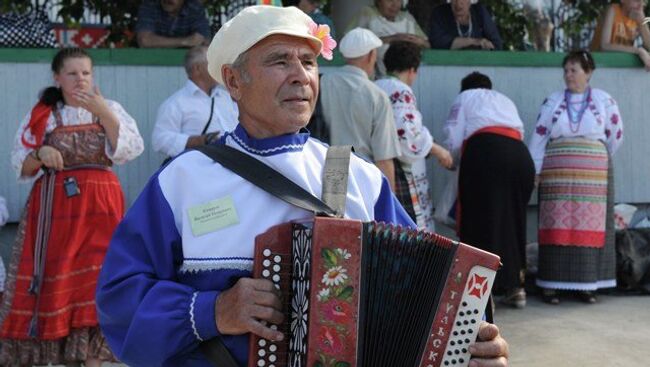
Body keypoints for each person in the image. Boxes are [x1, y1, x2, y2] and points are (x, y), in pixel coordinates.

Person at [95, 6, 509, 367]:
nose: (300, 76)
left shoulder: (356, 176)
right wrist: (214, 310)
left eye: (309, 62)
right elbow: (119, 304)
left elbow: (426, 293)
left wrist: (469, 346)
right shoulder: (183, 179)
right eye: (280, 61)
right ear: (234, 82)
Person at [1, 47, 144, 367]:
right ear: (57, 77)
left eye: (86, 73)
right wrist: (40, 155)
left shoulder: (110, 109)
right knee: (62, 279)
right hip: (57, 211)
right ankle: (67, 357)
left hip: (101, 207)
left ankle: (93, 357)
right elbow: (20, 165)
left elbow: (129, 150)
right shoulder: (43, 115)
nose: (80, 79)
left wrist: (104, 112)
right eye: (72, 73)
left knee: (99, 277)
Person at [528, 50, 623, 305]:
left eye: (574, 70)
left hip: (594, 174)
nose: (569, 75)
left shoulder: (604, 100)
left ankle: (587, 286)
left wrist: (597, 155)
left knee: (590, 227)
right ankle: (551, 285)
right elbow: (539, 136)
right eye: (566, 70)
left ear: (589, 72)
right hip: (557, 173)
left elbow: (615, 134)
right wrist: (536, 170)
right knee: (555, 225)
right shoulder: (553, 101)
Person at [443, 72, 535, 308]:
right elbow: (519, 130)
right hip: (520, 156)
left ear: (465, 88)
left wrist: (452, 161)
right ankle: (516, 286)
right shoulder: (504, 100)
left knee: (479, 221)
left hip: (485, 153)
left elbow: (453, 135)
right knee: (513, 222)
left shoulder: (465, 97)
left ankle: (483, 296)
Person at [375, 41, 452, 231]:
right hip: (402, 170)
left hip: (376, 163)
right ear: (412, 70)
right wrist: (438, 150)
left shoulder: (375, 86)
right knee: (410, 228)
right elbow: (407, 135)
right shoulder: (401, 90)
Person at [321, 27, 401, 190]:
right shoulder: (377, 96)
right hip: (362, 179)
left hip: (323, 174)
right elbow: (384, 158)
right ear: (372, 55)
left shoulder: (321, 83)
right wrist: (390, 208)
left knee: (330, 216)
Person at [152, 46, 239, 161]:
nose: (218, 68)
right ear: (197, 68)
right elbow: (159, 140)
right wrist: (197, 141)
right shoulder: (176, 103)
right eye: (212, 63)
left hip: (234, 163)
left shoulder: (227, 97)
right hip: (199, 166)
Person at [346, 0, 430, 75]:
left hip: (405, 75)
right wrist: (391, 39)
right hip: (373, 75)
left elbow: (427, 44)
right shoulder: (367, 13)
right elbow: (349, 40)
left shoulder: (407, 18)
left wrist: (417, 41)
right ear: (378, 1)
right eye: (389, 0)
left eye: (398, 0)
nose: (394, 4)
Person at [590, 0, 650, 71]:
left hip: (619, 66)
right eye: (636, 1)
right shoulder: (613, 10)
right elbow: (604, 46)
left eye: (643, 2)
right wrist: (638, 51)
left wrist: (641, 22)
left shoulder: (637, 16)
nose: (641, 6)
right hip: (598, 65)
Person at [429, 0, 503, 50]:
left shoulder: (480, 12)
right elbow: (437, 42)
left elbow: (496, 44)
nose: (458, 3)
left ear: (470, 1)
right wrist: (474, 42)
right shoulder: (439, 13)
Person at [136, 0, 211, 48]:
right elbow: (144, 41)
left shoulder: (194, 8)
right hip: (152, 62)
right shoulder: (150, 5)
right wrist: (185, 41)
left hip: (187, 63)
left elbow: (204, 40)